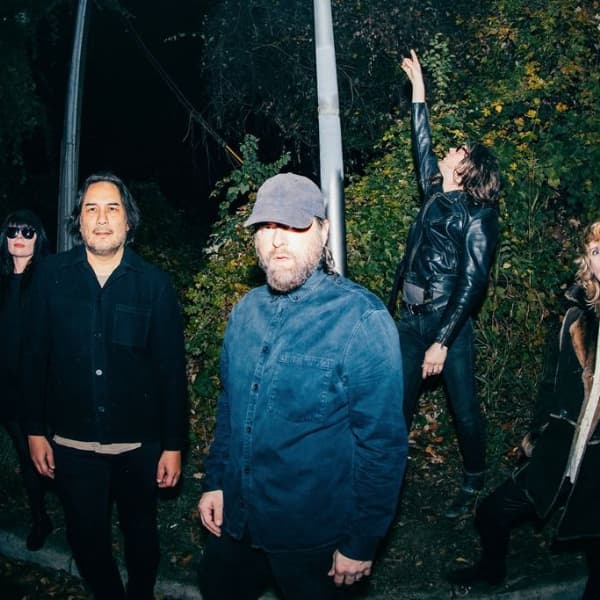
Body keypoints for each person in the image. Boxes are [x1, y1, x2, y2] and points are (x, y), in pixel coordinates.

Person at [197, 172, 407, 600]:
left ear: (323, 231)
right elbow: (230, 407)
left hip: (313, 539)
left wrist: (361, 540)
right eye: (266, 227)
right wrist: (215, 480)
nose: (277, 241)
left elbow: (382, 445)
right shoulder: (245, 312)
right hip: (238, 520)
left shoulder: (361, 320)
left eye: (293, 226)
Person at [22, 172, 188, 600]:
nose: (101, 218)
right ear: (78, 221)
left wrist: (174, 445)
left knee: (142, 536)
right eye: (90, 209)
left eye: (112, 208)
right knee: (86, 540)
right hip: (72, 443)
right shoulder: (50, 277)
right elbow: (34, 359)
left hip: (139, 446)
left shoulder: (154, 285)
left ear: (127, 220)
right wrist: (35, 431)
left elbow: (170, 370)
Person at [447, 220, 600, 599]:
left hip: (597, 465)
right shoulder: (576, 317)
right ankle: (492, 569)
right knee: (492, 512)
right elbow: (550, 384)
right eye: (597, 250)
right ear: (587, 260)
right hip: (562, 449)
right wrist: (536, 434)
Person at [392, 49, 501, 518]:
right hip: (409, 318)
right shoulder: (434, 192)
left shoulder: (479, 216)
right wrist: (419, 90)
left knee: (464, 408)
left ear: (468, 168)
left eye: (459, 150)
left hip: (446, 323)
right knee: (397, 404)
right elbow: (422, 143)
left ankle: (474, 479)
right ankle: (386, 482)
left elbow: (474, 283)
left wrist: (442, 341)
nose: (450, 149)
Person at [0, 209, 52, 551]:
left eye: (27, 231)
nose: (19, 237)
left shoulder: (47, 281)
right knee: (26, 456)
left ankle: (78, 522)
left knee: (49, 456)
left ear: (38, 238)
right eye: (12, 231)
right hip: (6, 389)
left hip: (41, 388)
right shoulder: (2, 283)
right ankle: (40, 518)